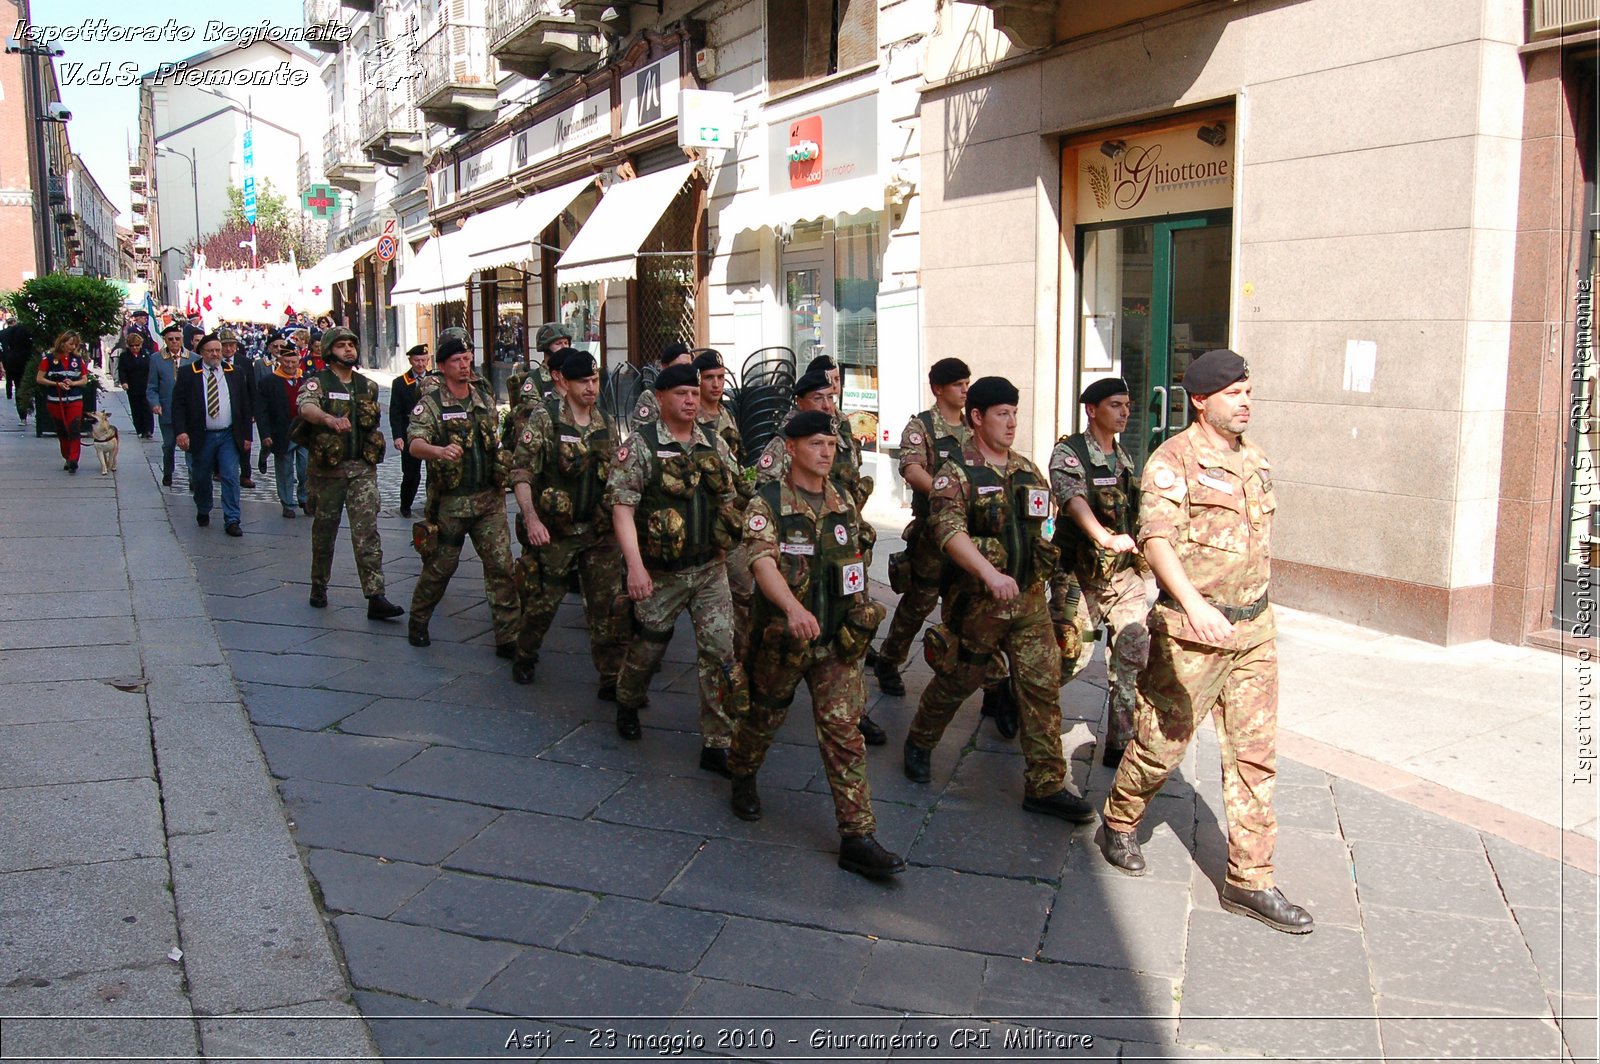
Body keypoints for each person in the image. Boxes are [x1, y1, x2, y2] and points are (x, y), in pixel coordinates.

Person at [1098, 350, 1311, 934]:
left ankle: (1251, 880)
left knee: (1254, 757)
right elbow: (1156, 539)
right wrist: (1193, 603)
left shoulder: (1256, 460)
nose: (1246, 402)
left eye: (1249, 391)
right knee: (1161, 748)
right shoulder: (1173, 461)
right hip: (1193, 635)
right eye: (1233, 393)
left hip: (1254, 633)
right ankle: (1118, 820)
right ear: (1200, 400)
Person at [902, 376, 1094, 826]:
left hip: (1027, 603)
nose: (1011, 423)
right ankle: (920, 740)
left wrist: (1051, 571)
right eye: (1001, 414)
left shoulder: (1027, 470)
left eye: (1014, 412)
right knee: (958, 679)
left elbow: (1046, 526)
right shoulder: (957, 472)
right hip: (979, 605)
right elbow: (947, 530)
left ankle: (1045, 784)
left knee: (1041, 688)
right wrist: (989, 572)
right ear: (977, 418)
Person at [729, 409, 903, 880]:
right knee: (762, 719)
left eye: (830, 445)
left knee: (844, 732)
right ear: (791, 449)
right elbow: (761, 564)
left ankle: (857, 836)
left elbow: (853, 563)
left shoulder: (842, 500)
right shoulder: (767, 504)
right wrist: (793, 609)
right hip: (782, 641)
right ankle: (742, 772)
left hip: (835, 643)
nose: (826, 453)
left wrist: (862, 614)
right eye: (815, 445)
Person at [606, 362, 746, 774]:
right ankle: (627, 700)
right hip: (661, 573)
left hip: (709, 569)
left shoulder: (712, 443)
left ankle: (717, 742)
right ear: (662, 398)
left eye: (694, 393)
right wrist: (634, 567)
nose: (690, 400)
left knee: (720, 651)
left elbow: (735, 490)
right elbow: (622, 508)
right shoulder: (641, 446)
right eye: (681, 394)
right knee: (648, 648)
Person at [754, 369, 885, 745]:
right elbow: (766, 497)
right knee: (768, 702)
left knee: (850, 630)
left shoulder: (840, 434)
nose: (828, 405)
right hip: (796, 557)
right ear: (801, 402)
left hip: (839, 541)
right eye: (819, 398)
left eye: (831, 397)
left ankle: (854, 713)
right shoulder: (785, 444)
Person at [508, 350, 627, 692]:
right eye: (583, 382)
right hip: (557, 532)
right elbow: (521, 472)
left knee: (606, 607)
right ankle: (525, 654)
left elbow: (618, 475)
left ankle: (611, 677)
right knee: (544, 603)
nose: (591, 388)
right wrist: (531, 519)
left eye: (594, 380)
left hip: (598, 531)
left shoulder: (605, 422)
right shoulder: (546, 419)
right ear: (565, 382)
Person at [1049, 377, 1149, 768]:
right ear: (1091, 410)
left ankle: (1119, 743)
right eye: (1115, 404)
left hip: (1122, 577)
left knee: (1132, 651)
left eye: (1127, 405)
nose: (1125, 412)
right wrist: (1104, 538)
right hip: (1079, 574)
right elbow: (1072, 500)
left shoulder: (1123, 459)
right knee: (1072, 655)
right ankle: (1017, 696)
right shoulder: (1069, 453)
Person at [405, 336, 519, 654]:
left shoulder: (482, 399)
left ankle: (508, 636)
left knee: (501, 566)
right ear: (442, 367)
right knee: (441, 567)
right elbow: (414, 443)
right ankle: (418, 620)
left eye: (467, 358)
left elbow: (493, 440)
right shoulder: (431, 404)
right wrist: (438, 451)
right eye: (456, 360)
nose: (464, 365)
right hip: (452, 504)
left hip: (488, 500)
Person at [874, 358, 971, 697]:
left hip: (969, 533)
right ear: (938, 389)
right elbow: (912, 470)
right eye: (958, 384)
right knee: (920, 601)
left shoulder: (975, 424)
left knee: (970, 602)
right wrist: (948, 496)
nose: (964, 390)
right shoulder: (922, 427)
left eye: (966, 383)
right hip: (932, 533)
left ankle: (982, 676)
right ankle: (889, 660)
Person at [297, 327, 406, 619]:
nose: (349, 350)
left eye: (351, 345)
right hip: (327, 472)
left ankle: (376, 595)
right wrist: (328, 419)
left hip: (361, 469)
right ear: (329, 351)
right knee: (324, 532)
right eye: (342, 346)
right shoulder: (317, 383)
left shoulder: (366, 386)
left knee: (367, 532)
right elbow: (306, 408)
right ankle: (318, 585)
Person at [169, 332, 254, 534]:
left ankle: (232, 519)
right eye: (211, 351)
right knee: (201, 476)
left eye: (218, 350)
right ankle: (204, 508)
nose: (216, 354)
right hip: (202, 434)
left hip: (228, 434)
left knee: (230, 475)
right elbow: (178, 405)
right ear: (201, 353)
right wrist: (181, 432)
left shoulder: (234, 371)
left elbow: (244, 405)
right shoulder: (188, 373)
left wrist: (247, 436)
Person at [258, 339, 309, 518]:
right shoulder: (269, 381)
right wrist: (265, 434)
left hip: (305, 431)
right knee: (285, 469)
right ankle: (287, 502)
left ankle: (305, 497)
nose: (289, 365)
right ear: (279, 361)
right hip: (282, 432)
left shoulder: (306, 379)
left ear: (298, 362)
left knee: (306, 468)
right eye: (286, 362)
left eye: (293, 362)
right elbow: (262, 411)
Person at [36, 331, 91, 473]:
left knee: (74, 428)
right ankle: (67, 456)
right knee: (62, 430)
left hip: (74, 399)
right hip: (55, 400)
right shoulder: (48, 359)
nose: (73, 347)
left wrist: (73, 383)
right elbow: (40, 378)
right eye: (70, 344)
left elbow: (84, 379)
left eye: (75, 345)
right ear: (62, 342)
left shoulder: (78, 360)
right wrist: (56, 384)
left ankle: (74, 459)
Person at [390, 344, 431, 517]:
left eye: (423, 360)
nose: (420, 364)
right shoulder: (400, 383)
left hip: (432, 434)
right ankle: (405, 505)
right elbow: (395, 412)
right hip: (410, 434)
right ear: (410, 361)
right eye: (417, 360)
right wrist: (398, 436)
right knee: (411, 474)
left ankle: (432, 505)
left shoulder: (435, 379)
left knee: (435, 473)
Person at [147, 324, 184, 485]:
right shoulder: (156, 359)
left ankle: (193, 478)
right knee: (169, 444)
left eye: (177, 339)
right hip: (167, 409)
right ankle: (168, 471)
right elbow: (152, 386)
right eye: (171, 339)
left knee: (191, 446)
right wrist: (154, 403)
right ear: (165, 341)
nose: (174, 342)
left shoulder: (194, 358)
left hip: (188, 411)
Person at [631, 341, 693, 426]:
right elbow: (641, 432)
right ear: (665, 367)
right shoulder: (651, 396)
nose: (685, 371)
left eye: (689, 367)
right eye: (680, 367)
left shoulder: (694, 393)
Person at [515, 322, 571, 401]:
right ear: (545, 347)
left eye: (566, 343)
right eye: (558, 343)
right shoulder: (535, 381)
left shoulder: (574, 375)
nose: (564, 347)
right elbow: (531, 411)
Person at [116, 330, 155, 439]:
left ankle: (148, 430)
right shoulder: (124, 356)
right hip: (132, 385)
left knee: (147, 408)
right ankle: (140, 429)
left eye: (137, 345)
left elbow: (151, 369)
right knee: (136, 408)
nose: (134, 348)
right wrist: (124, 382)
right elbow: (122, 370)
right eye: (132, 346)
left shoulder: (146, 354)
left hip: (145, 385)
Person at [0, 319, 34, 406]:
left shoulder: (3, 332)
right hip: (24, 359)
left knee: (13, 380)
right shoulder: (23, 332)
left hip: (9, 358)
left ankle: (10, 394)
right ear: (14, 322)